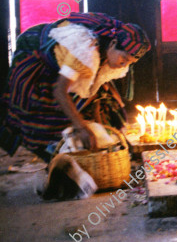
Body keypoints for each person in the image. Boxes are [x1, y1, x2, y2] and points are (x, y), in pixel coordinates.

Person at [0, 12, 150, 165]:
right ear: (112, 44)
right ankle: (51, 154)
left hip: (72, 63)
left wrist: (97, 126)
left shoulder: (108, 55)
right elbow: (60, 91)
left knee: (104, 103)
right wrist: (81, 127)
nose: (124, 64)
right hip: (35, 52)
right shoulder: (85, 50)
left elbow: (96, 89)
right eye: (123, 58)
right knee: (40, 110)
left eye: (129, 62)